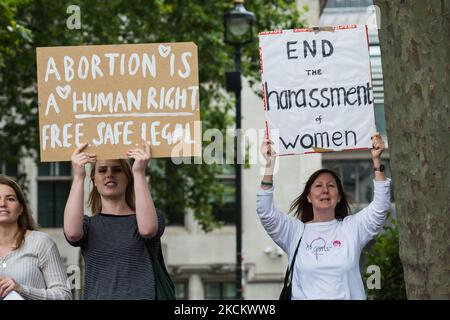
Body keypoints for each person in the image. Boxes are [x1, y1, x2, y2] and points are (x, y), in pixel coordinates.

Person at [256, 133, 391, 300]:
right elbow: (265, 212)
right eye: (318, 186)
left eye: (331, 186)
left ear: (339, 196)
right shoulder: (294, 232)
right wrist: (269, 165)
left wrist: (377, 161)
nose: (325, 190)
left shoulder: (352, 228)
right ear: (308, 197)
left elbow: (381, 206)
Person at [64, 141, 165, 300]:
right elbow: (72, 233)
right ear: (94, 181)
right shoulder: (89, 226)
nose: (109, 174)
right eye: (102, 170)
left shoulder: (151, 216)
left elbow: (147, 230)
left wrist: (139, 172)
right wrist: (78, 176)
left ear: (128, 178)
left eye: (117, 170)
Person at [0, 175, 72, 300]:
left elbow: (64, 296)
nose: (2, 204)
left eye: (10, 199)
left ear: (21, 208)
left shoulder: (41, 242)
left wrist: (21, 289)